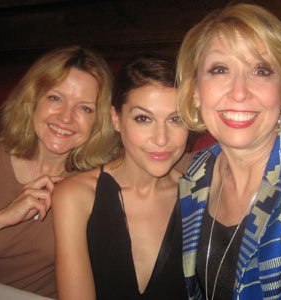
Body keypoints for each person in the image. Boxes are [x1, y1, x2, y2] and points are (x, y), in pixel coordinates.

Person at [176, 3, 281, 300]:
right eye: (220, 69)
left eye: (261, 70)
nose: (240, 91)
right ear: (195, 92)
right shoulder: (196, 174)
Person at [0, 45, 116, 298]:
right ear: (32, 99)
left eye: (84, 108)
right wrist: (1, 217)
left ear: (98, 120)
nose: (66, 117)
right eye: (56, 98)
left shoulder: (99, 177)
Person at [53, 53, 189, 300]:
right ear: (116, 119)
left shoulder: (201, 194)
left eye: (175, 119)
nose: (161, 139)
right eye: (143, 119)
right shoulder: (75, 195)